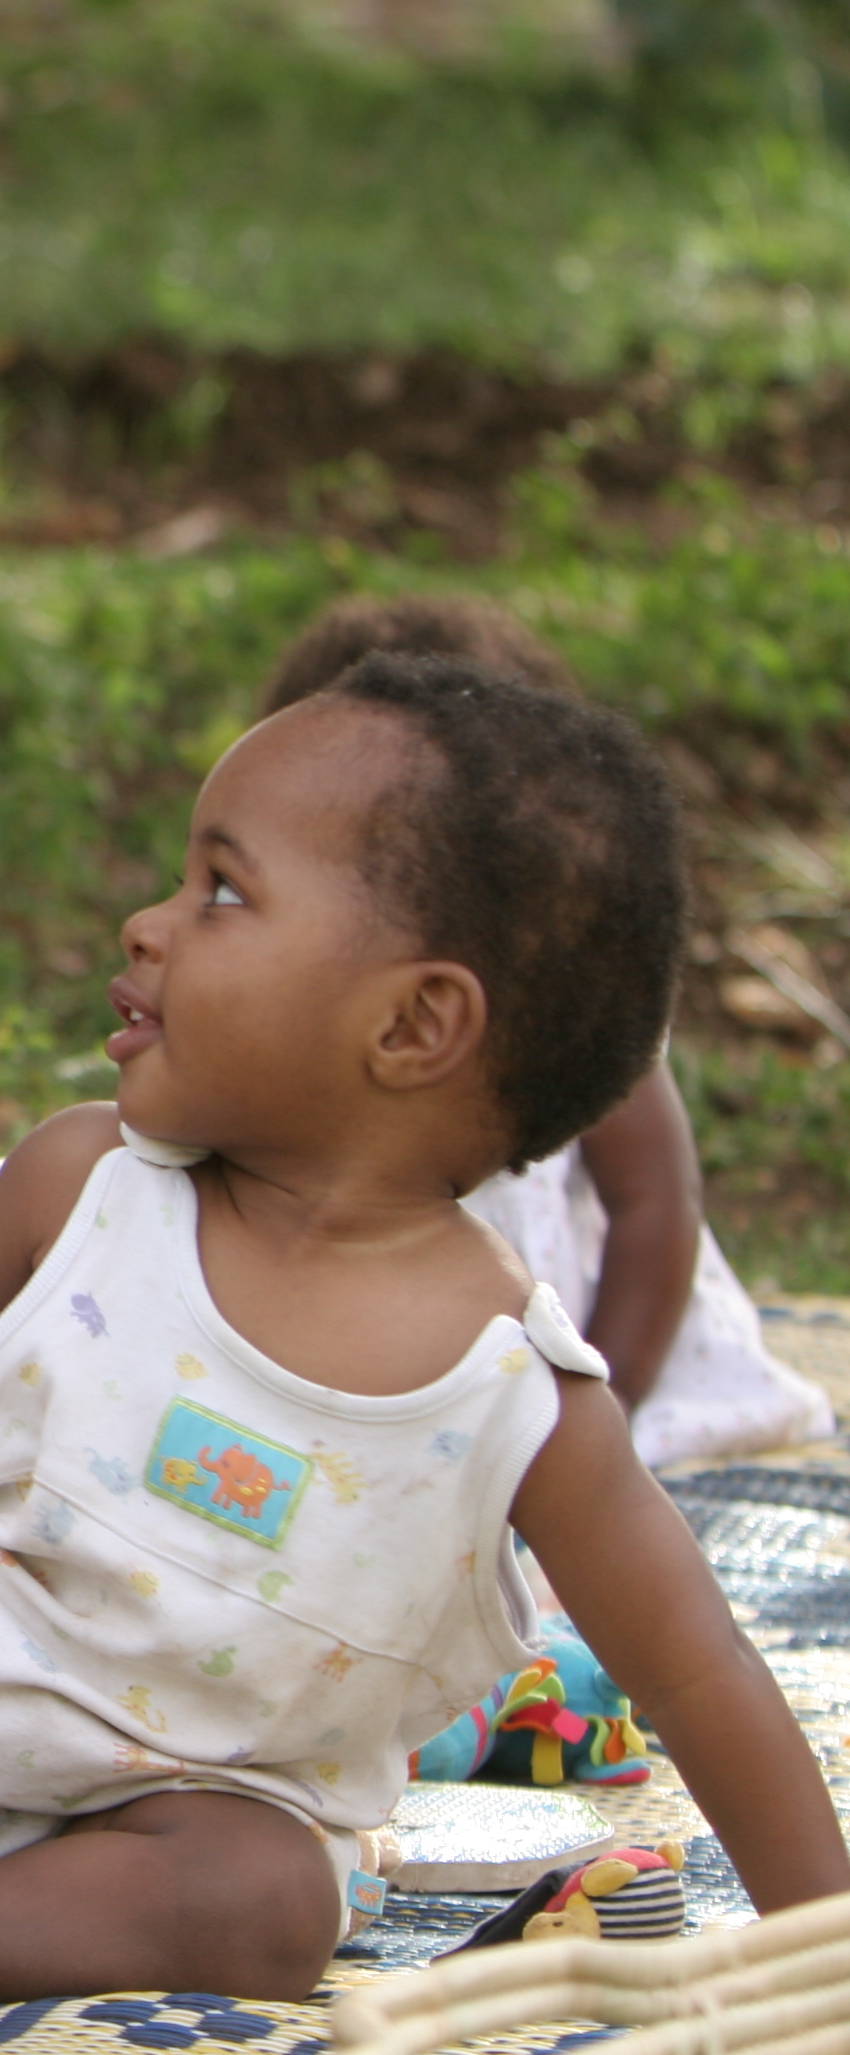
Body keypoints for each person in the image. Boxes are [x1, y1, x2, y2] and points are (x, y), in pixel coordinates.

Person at [0, 655, 850, 2009]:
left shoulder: (518, 1402)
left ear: (412, 1024)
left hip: (151, 1821)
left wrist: (830, 1954)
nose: (149, 923)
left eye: (222, 890)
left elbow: (701, 1678)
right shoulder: (87, 1188)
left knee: (269, 1905)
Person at [260, 594, 831, 1464]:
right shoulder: (279, 980)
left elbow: (655, 1203)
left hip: (591, 1336)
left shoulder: (569, 986)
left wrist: (606, 1408)